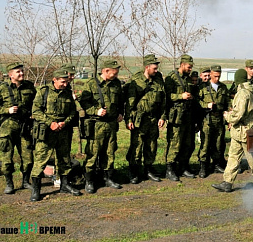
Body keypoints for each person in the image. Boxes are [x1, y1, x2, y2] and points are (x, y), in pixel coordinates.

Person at [30, 68, 82, 201]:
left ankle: (64, 185)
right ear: (55, 80)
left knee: (64, 159)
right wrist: (50, 123)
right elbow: (36, 111)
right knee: (41, 160)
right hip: (47, 132)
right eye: (62, 82)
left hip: (63, 132)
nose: (65, 84)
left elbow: (72, 112)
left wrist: (65, 122)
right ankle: (36, 190)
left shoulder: (67, 93)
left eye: (66, 82)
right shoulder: (44, 92)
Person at [212, 69, 253, 192]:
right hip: (240, 132)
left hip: (245, 131)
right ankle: (227, 182)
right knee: (233, 156)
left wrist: (228, 116)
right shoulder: (250, 90)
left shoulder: (242, 93)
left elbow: (239, 114)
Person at [79, 59, 125, 193]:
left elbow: (120, 101)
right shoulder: (91, 84)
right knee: (93, 153)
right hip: (96, 125)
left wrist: (120, 113)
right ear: (105, 71)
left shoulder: (116, 84)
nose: (116, 76)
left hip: (111, 124)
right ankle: (89, 181)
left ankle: (108, 178)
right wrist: (95, 111)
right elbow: (84, 103)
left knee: (109, 152)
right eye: (114, 73)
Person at [0, 62, 36, 194]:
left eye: (22, 71)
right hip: (8, 128)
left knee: (28, 157)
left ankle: (26, 182)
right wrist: (7, 110)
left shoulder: (29, 86)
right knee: (7, 158)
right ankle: (9, 183)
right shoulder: (2, 88)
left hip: (25, 127)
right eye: (18, 72)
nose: (21, 73)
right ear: (11, 75)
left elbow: (37, 102)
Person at [125, 54, 166, 184]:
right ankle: (133, 171)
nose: (156, 70)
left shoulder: (158, 81)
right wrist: (129, 120)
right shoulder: (136, 82)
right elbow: (129, 103)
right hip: (139, 120)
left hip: (153, 120)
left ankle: (148, 169)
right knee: (137, 147)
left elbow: (163, 100)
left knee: (151, 146)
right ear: (147, 67)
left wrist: (162, 116)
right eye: (154, 68)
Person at [163, 54, 197, 181]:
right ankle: (170, 169)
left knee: (187, 143)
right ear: (182, 64)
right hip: (176, 117)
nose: (190, 69)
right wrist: (180, 96)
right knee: (175, 143)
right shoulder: (171, 78)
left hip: (187, 116)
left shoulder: (188, 79)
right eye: (189, 67)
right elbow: (166, 96)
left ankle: (183, 167)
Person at [197, 65, 230, 178]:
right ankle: (203, 166)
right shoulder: (203, 87)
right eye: (215, 76)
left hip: (219, 119)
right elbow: (197, 102)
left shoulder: (223, 88)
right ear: (210, 74)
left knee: (218, 143)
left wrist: (228, 115)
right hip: (207, 119)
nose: (217, 78)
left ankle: (216, 164)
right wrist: (206, 105)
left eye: (219, 76)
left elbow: (227, 103)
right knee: (205, 143)